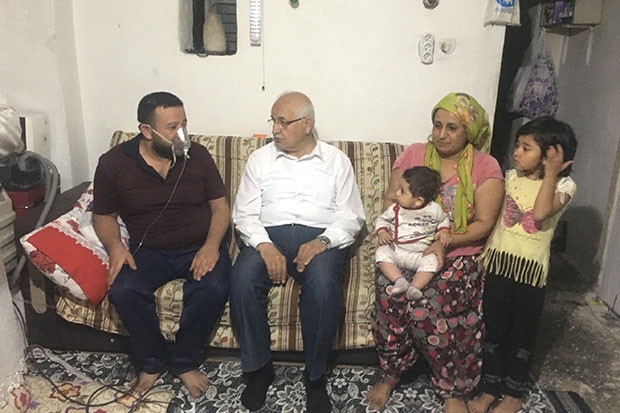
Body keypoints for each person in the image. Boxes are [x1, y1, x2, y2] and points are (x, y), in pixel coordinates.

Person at [367, 92, 505, 413]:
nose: (441, 134)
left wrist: (444, 242)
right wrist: (391, 232)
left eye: (452, 127)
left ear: (469, 131)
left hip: (458, 252)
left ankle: (452, 388)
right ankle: (391, 373)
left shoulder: (485, 166)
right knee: (389, 298)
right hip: (406, 246)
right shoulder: (414, 154)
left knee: (426, 309)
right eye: (437, 125)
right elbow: (392, 198)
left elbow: (485, 223)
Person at [230, 91, 365, 412]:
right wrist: (264, 245)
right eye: (273, 121)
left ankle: (315, 376)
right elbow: (244, 214)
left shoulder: (336, 161)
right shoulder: (260, 160)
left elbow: (351, 216)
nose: (275, 129)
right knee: (242, 279)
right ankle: (259, 369)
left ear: (306, 124)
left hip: (320, 237)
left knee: (323, 286)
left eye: (283, 122)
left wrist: (323, 242)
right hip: (268, 235)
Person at [92, 91, 231, 398]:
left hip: (198, 246)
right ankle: (152, 363)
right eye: (172, 127)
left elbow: (220, 207)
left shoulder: (197, 156)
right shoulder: (114, 163)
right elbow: (103, 215)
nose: (182, 134)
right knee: (123, 290)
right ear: (146, 131)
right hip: (149, 251)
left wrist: (211, 246)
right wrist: (115, 247)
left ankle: (184, 362)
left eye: (184, 124)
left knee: (213, 287)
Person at [469, 117, 577, 413]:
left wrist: (551, 173)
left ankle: (513, 395)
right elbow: (498, 221)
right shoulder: (511, 177)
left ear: (551, 156)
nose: (516, 152)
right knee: (494, 330)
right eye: (518, 145)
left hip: (529, 274)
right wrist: (485, 255)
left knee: (522, 335)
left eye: (526, 148)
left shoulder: (565, 185)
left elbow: (540, 213)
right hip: (500, 265)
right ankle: (490, 388)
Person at [374, 166, 451, 301]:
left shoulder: (434, 210)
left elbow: (443, 220)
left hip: (421, 254)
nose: (397, 193)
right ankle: (399, 281)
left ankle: (415, 287)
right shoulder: (395, 209)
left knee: (432, 261)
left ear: (418, 201)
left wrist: (443, 230)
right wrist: (382, 232)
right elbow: (382, 219)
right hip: (397, 250)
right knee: (381, 253)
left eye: (402, 191)